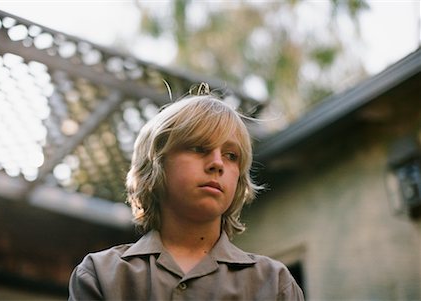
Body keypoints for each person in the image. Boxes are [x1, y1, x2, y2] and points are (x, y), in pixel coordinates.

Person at [68, 84, 304, 301]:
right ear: (156, 164)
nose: (217, 163)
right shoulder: (102, 275)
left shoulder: (274, 284)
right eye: (199, 148)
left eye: (231, 155)